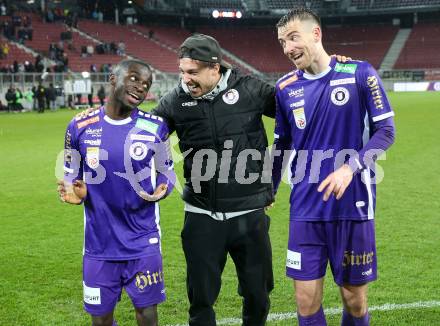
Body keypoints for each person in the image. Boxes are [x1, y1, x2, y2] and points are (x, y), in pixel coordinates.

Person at [273, 8, 395, 326]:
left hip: (352, 207)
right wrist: (266, 190)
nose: (287, 48)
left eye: (293, 37)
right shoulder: (285, 88)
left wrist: (349, 167)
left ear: (317, 34)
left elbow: (386, 132)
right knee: (304, 300)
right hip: (305, 208)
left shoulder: (360, 73)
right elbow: (281, 146)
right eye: (282, 42)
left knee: (354, 299)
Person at [152, 33, 275, 326]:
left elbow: (297, 113)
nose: (185, 79)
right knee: (201, 299)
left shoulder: (250, 89)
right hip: (201, 215)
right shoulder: (174, 101)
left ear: (215, 68)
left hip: (249, 212)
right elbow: (144, 138)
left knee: (258, 294)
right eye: (182, 71)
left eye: (192, 72)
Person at [57, 59, 175, 326]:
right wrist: (74, 194)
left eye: (146, 84)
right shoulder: (79, 126)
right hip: (99, 244)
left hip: (143, 240)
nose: (140, 87)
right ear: (113, 78)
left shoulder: (155, 127)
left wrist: (163, 188)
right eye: (134, 78)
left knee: (147, 314)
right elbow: (70, 177)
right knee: (100, 320)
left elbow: (167, 172)